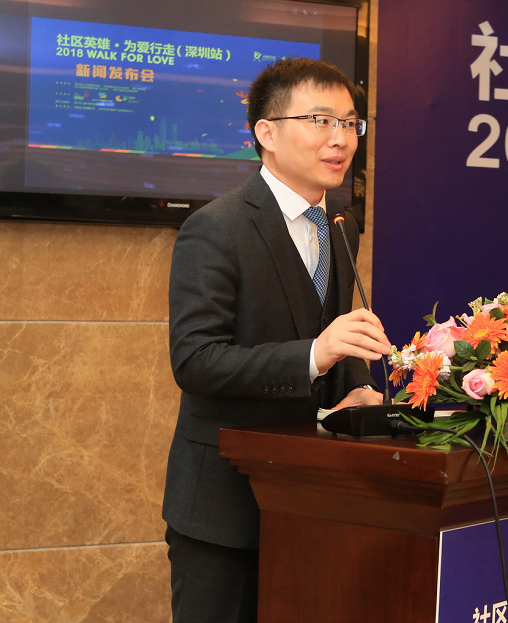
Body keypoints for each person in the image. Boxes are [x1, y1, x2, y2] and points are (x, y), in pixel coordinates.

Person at [161, 57, 389, 623]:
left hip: (312, 502)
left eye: (350, 123)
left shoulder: (340, 224)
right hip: (225, 510)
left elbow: (330, 330)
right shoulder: (216, 228)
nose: (341, 139)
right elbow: (197, 361)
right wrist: (316, 355)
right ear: (266, 132)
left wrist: (356, 387)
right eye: (321, 121)